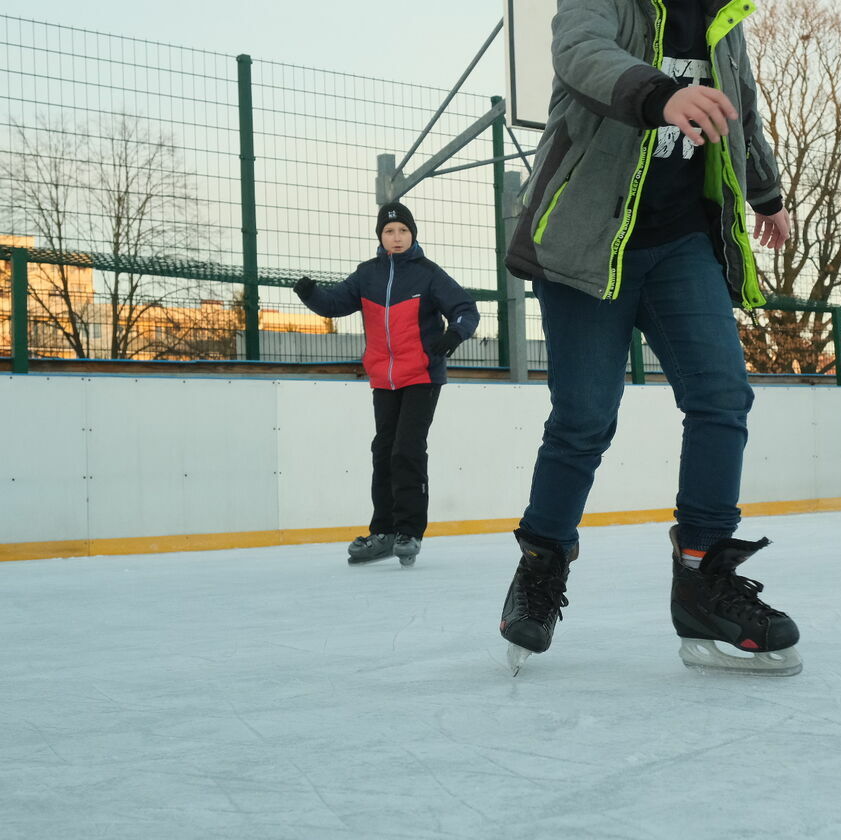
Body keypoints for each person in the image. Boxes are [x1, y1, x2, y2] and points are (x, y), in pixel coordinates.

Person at [497, 0, 800, 676]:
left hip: (680, 241)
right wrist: (663, 94)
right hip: (585, 238)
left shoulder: (724, 19)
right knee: (584, 418)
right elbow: (581, 54)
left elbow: (739, 111)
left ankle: (703, 577)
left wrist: (767, 195)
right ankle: (542, 567)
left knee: (722, 396)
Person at [293, 201, 480, 565]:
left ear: (413, 234)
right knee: (383, 452)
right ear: (380, 236)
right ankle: (384, 531)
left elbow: (466, 308)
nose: (397, 238)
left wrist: (454, 335)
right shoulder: (368, 275)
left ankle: (409, 531)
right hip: (384, 377)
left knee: (407, 450)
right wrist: (310, 294)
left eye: (403, 231)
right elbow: (334, 303)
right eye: (389, 232)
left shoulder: (428, 274)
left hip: (422, 374)